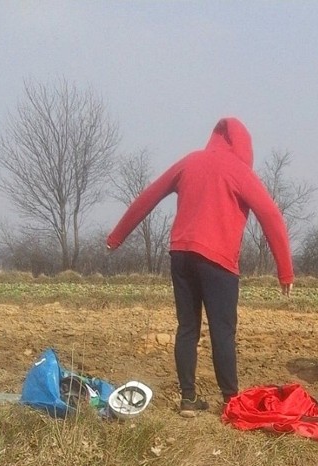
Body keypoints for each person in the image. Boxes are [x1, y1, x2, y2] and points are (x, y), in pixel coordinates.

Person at [106, 118, 294, 417]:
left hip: (181, 255)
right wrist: (285, 271)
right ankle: (231, 401)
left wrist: (117, 237)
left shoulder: (190, 161)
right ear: (244, 146)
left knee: (187, 328)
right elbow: (270, 215)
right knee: (222, 332)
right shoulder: (239, 171)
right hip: (218, 261)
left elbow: (149, 195)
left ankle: (188, 399)